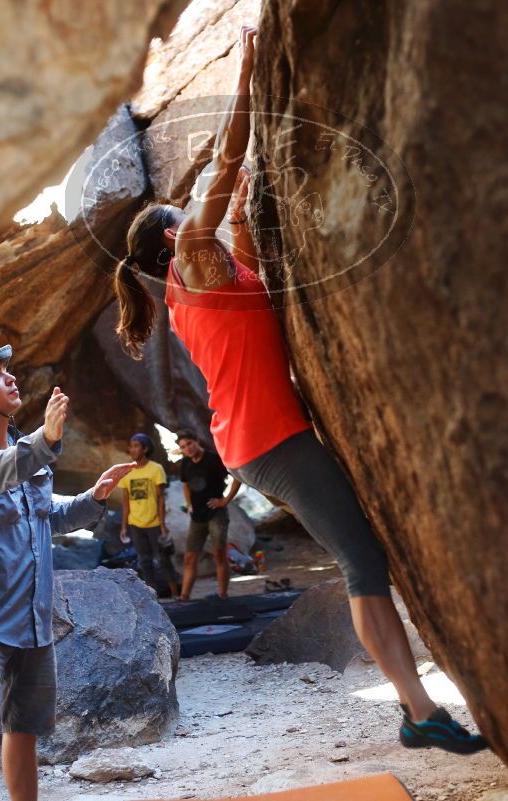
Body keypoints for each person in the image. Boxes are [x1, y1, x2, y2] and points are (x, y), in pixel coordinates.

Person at [112, 27, 488, 755]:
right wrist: (250, 73)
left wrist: (252, 191)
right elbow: (222, 161)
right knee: (361, 562)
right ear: (172, 240)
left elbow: (248, 235)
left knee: (366, 553)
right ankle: (418, 710)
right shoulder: (191, 263)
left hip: (264, 433)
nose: (193, 211)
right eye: (180, 213)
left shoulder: (220, 272)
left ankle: (419, 704)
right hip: (268, 440)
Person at [0, 343, 136, 797]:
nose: (10, 379)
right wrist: (44, 440)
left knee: (21, 727)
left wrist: (94, 497)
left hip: (31, 620)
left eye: (8, 370)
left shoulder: (27, 454)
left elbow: (50, 513)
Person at [176, 430, 242, 600]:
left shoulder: (213, 459)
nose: (187, 448)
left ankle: (222, 594)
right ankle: (184, 596)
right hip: (196, 516)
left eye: (189, 443)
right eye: (183, 447)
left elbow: (237, 476)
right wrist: (189, 503)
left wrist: (225, 500)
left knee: (219, 553)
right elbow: (185, 483)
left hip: (216, 513)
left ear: (197, 441)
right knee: (190, 557)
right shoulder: (185, 463)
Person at [118, 433, 178, 597]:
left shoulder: (156, 469)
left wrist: (163, 524)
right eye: (131, 446)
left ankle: (176, 594)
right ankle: (153, 596)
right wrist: (124, 526)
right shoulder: (126, 471)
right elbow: (126, 500)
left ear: (145, 448)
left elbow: (160, 498)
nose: (132, 449)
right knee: (144, 561)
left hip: (154, 523)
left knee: (163, 558)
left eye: (136, 445)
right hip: (135, 523)